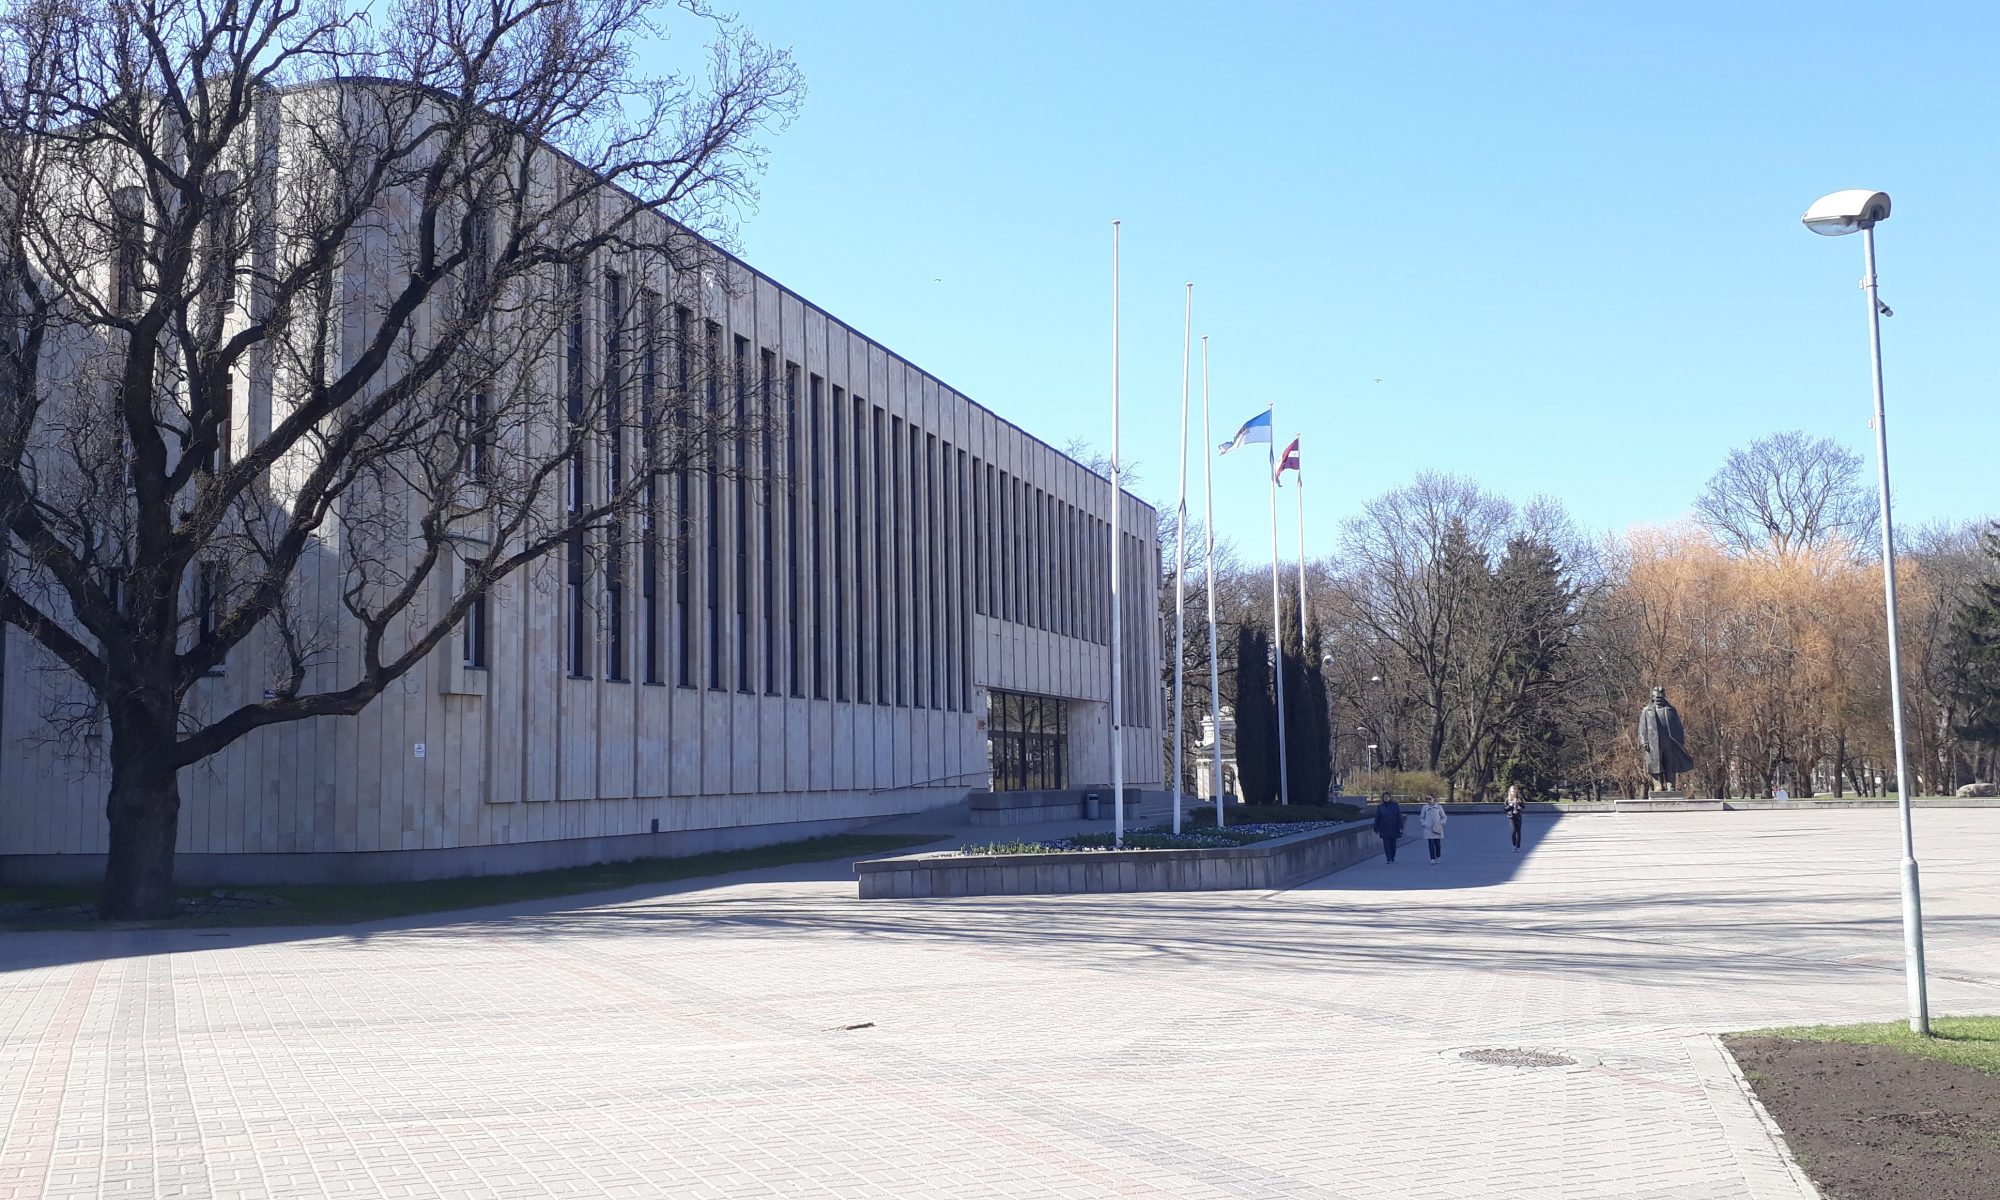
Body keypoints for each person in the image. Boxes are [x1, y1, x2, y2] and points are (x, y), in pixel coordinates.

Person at [1373, 794, 1404, 864]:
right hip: (1384, 828)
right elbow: (1377, 818)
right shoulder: (1380, 807)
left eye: (1387, 797)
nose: (1386, 798)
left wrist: (1401, 827)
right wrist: (1376, 828)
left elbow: (1399, 817)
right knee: (1386, 844)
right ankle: (1388, 858)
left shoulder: (1395, 805)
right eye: (1384, 797)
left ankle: (1392, 857)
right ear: (1383, 798)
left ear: (1390, 798)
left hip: (1394, 827)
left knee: (1393, 844)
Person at [1419, 795, 1447, 864]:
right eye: (1427, 799)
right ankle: (1432, 858)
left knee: (1437, 844)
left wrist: (1441, 823)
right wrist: (1424, 823)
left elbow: (1444, 817)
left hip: (1437, 828)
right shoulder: (1425, 807)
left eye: (1429, 798)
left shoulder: (1439, 807)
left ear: (1434, 799)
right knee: (1430, 844)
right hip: (1428, 828)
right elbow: (1422, 817)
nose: (1428, 800)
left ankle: (1438, 856)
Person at [1504, 784, 1525, 851]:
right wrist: (1510, 806)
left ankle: (1518, 847)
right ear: (1510, 791)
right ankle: (1514, 845)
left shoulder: (1520, 798)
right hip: (1511, 816)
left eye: (1515, 791)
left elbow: (1524, 806)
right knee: (1513, 831)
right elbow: (1505, 808)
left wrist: (1520, 804)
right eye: (1512, 791)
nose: (1513, 792)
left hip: (1518, 816)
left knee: (1518, 831)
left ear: (1516, 791)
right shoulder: (1507, 799)